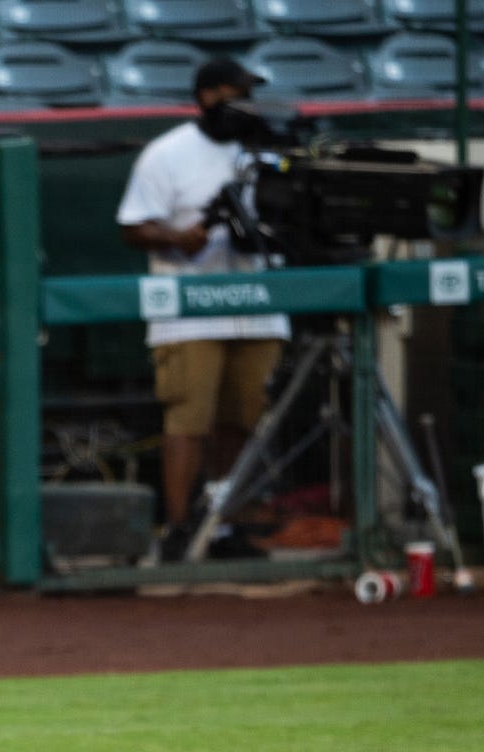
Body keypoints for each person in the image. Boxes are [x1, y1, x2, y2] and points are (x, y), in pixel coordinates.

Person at [116, 57, 290, 554]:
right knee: (189, 421)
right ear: (210, 96)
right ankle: (178, 529)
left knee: (242, 419)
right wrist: (177, 237)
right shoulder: (166, 154)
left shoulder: (263, 152)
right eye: (238, 94)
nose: (247, 105)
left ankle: (227, 525)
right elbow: (132, 225)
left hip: (257, 300)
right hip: (191, 305)